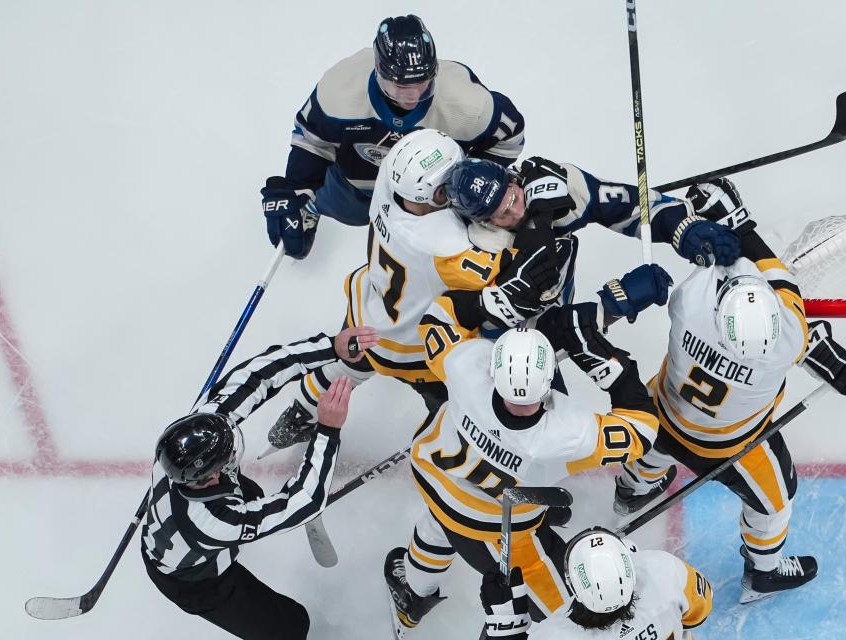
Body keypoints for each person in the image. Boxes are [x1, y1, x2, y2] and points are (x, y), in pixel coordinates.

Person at [612, 179, 846, 603]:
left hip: (664, 411)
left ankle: (630, 492)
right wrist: (741, 226)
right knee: (776, 502)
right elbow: (780, 279)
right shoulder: (786, 339)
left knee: (652, 441)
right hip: (728, 447)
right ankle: (763, 574)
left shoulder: (690, 303)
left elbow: (726, 259)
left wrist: (730, 227)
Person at [383, 296, 668, 638]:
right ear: (549, 379)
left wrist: (503, 295)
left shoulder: (467, 366)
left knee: (438, 524)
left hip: (434, 477)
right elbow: (641, 431)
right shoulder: (566, 431)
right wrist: (593, 351)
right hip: (494, 526)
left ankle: (412, 596)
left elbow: (438, 318)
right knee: (574, 619)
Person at [261, 128, 557, 457]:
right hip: (414, 347)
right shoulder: (448, 245)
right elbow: (525, 268)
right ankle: (459, 451)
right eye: (447, 190)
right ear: (434, 195)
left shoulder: (391, 176)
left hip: (369, 307)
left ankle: (299, 414)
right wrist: (539, 212)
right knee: (464, 409)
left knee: (350, 364)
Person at [140, 325, 377, 639]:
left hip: (184, 535)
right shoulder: (219, 522)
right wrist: (328, 430)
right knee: (290, 627)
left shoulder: (191, 437)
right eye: (225, 461)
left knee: (252, 493)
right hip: (197, 580)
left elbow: (257, 376)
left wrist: (329, 347)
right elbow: (304, 501)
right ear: (209, 477)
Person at [260, 14, 526, 260]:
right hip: (357, 186)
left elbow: (509, 137)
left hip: (433, 198)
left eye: (421, 82)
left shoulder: (466, 102)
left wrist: (466, 182)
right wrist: (299, 188)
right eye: (400, 85)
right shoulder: (340, 88)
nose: (411, 96)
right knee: (345, 208)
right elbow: (311, 141)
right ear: (378, 69)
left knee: (435, 256)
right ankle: (314, 209)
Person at [443, 156, 742, 319]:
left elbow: (627, 207)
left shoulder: (557, 184)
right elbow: (538, 338)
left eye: (512, 196)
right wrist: (610, 307)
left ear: (513, 177)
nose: (515, 212)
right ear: (483, 222)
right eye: (500, 214)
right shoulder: (483, 255)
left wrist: (684, 228)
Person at [480, 528, 713, 640]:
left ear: (571, 585)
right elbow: (698, 613)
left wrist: (506, 624)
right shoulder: (663, 570)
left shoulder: (555, 635)